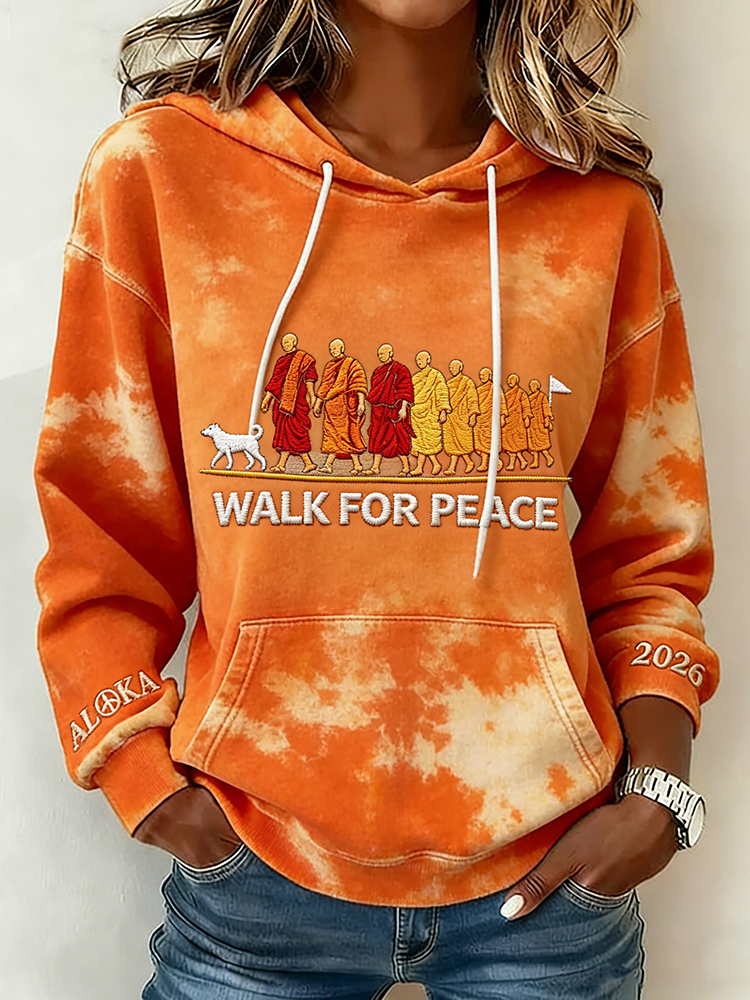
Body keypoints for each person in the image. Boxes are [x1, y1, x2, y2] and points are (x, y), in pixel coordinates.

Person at [34, 1, 719, 998]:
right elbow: (102, 522)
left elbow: (651, 550)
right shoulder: (161, 173)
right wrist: (141, 776)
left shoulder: (596, 211)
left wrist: (658, 792)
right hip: (255, 876)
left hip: (549, 874)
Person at [260, 331, 318, 473]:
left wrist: (312, 396)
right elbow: (275, 381)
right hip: (282, 403)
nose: (285, 345)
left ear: (294, 342)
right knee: (283, 432)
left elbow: (309, 379)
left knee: (297, 431)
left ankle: (307, 463)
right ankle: (283, 465)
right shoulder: (281, 361)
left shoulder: (304, 359)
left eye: (287, 342)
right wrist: (267, 399)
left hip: (296, 402)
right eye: (283, 343)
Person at [314, 338, 368, 474]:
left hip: (346, 405)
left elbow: (359, 384)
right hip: (331, 407)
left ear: (342, 348)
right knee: (332, 436)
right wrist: (318, 404)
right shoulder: (329, 366)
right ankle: (329, 465)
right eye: (331, 349)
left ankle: (356, 465)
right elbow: (324, 386)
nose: (333, 351)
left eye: (336, 348)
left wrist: (361, 403)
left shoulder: (352, 364)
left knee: (348, 435)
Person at [363, 342, 415, 476]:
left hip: (394, 409)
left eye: (383, 353)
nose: (381, 356)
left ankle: (406, 467)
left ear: (391, 353)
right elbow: (376, 391)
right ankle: (375, 467)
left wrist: (403, 408)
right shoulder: (377, 371)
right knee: (377, 436)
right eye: (379, 354)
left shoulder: (400, 369)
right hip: (379, 410)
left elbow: (406, 390)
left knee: (399, 437)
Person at [410, 350, 450, 477]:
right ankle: (430, 465)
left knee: (428, 440)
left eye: (421, 359)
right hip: (416, 414)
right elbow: (410, 394)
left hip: (430, 413)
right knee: (420, 440)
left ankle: (423, 467)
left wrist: (443, 411)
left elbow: (442, 393)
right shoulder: (416, 378)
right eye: (417, 360)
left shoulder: (435, 375)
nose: (419, 362)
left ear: (428, 360)